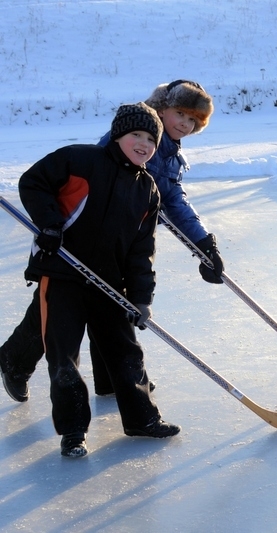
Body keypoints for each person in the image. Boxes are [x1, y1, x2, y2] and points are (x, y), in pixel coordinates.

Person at [0, 80, 223, 401]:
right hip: (80, 237)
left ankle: (116, 377)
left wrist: (203, 244)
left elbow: (172, 199)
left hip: (119, 242)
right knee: (56, 311)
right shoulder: (137, 133)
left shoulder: (169, 154)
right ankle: (15, 360)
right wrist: (53, 223)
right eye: (180, 114)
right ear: (162, 108)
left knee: (113, 306)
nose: (186, 125)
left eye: (194, 121)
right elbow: (104, 169)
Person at [17, 102, 180, 457]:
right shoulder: (80, 160)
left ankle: (142, 419)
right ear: (119, 134)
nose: (144, 144)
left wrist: (140, 298)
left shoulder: (148, 190)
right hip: (62, 275)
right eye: (136, 135)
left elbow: (142, 250)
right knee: (64, 359)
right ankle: (73, 432)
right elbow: (33, 182)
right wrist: (49, 224)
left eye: (151, 140)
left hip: (110, 285)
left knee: (126, 354)